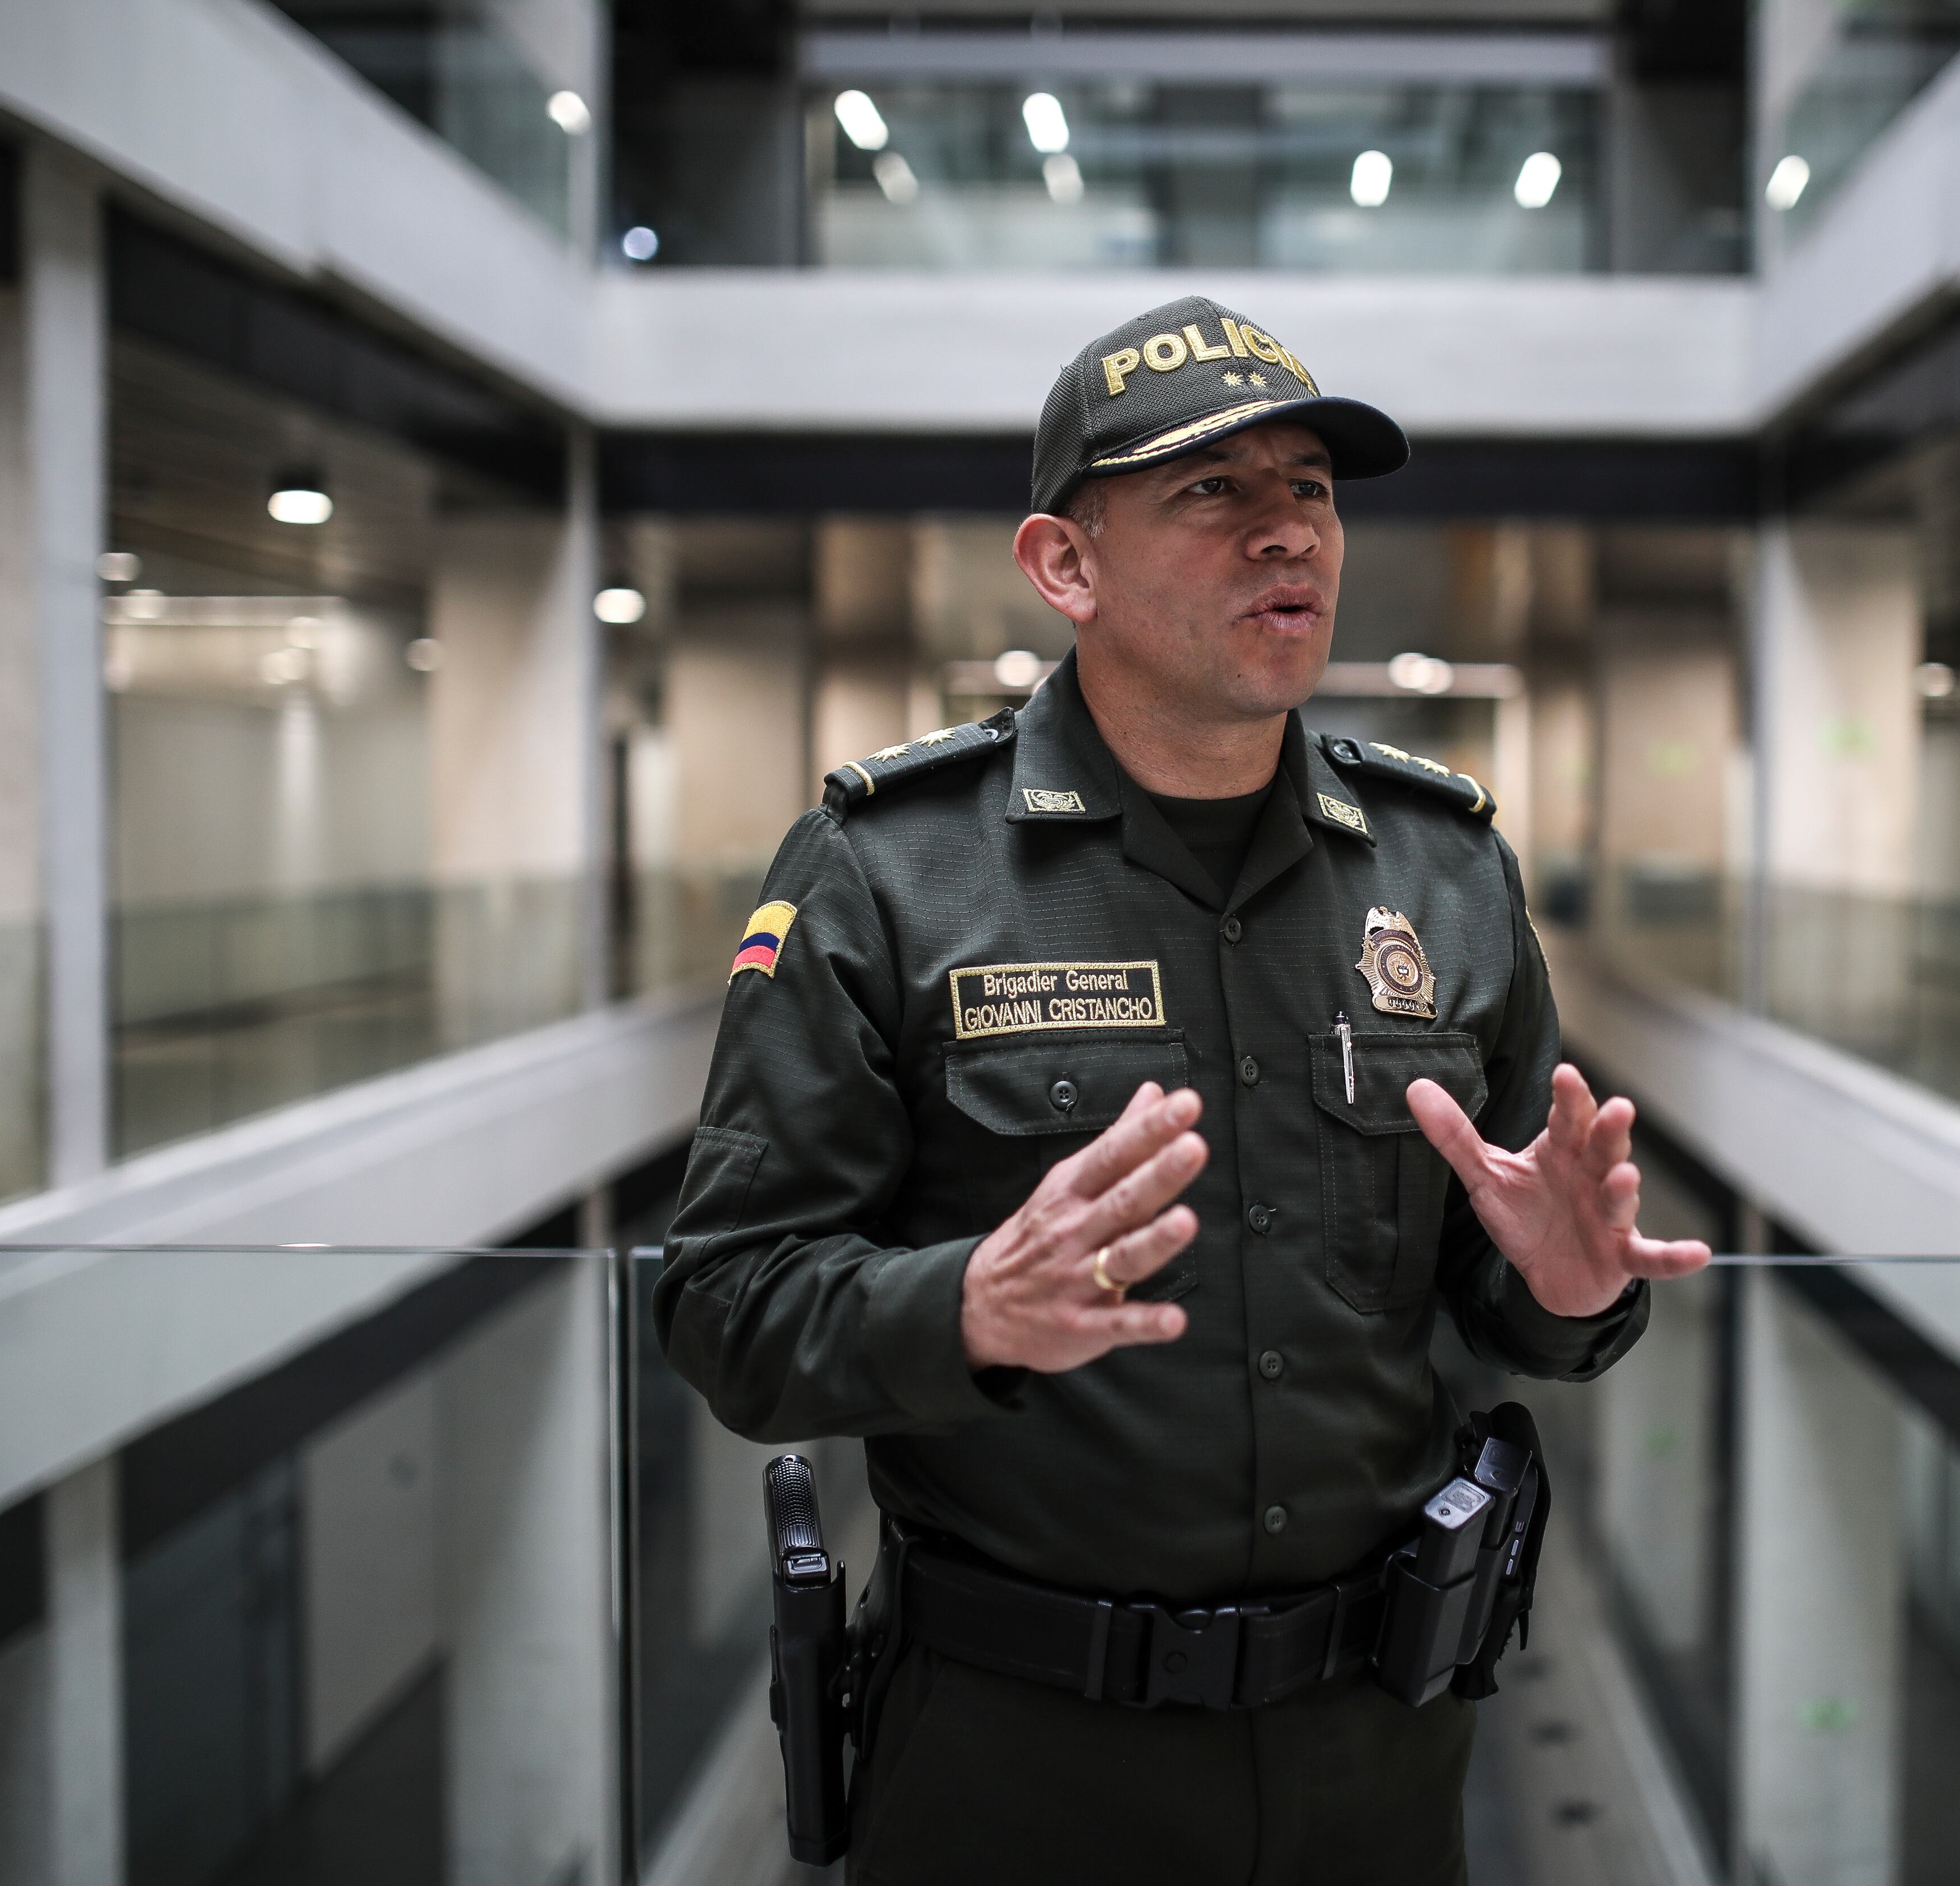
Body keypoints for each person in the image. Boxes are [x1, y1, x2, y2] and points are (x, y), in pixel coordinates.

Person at [654, 294, 1710, 1885]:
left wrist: (1563, 1292)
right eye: (1210, 492)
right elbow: (728, 1306)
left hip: (1379, 1753)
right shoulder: (893, 876)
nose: (1287, 533)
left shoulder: (1444, 870)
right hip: (1019, 1769)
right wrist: (969, 1310)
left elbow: (1505, 1295)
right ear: (1064, 565)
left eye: (1313, 488)